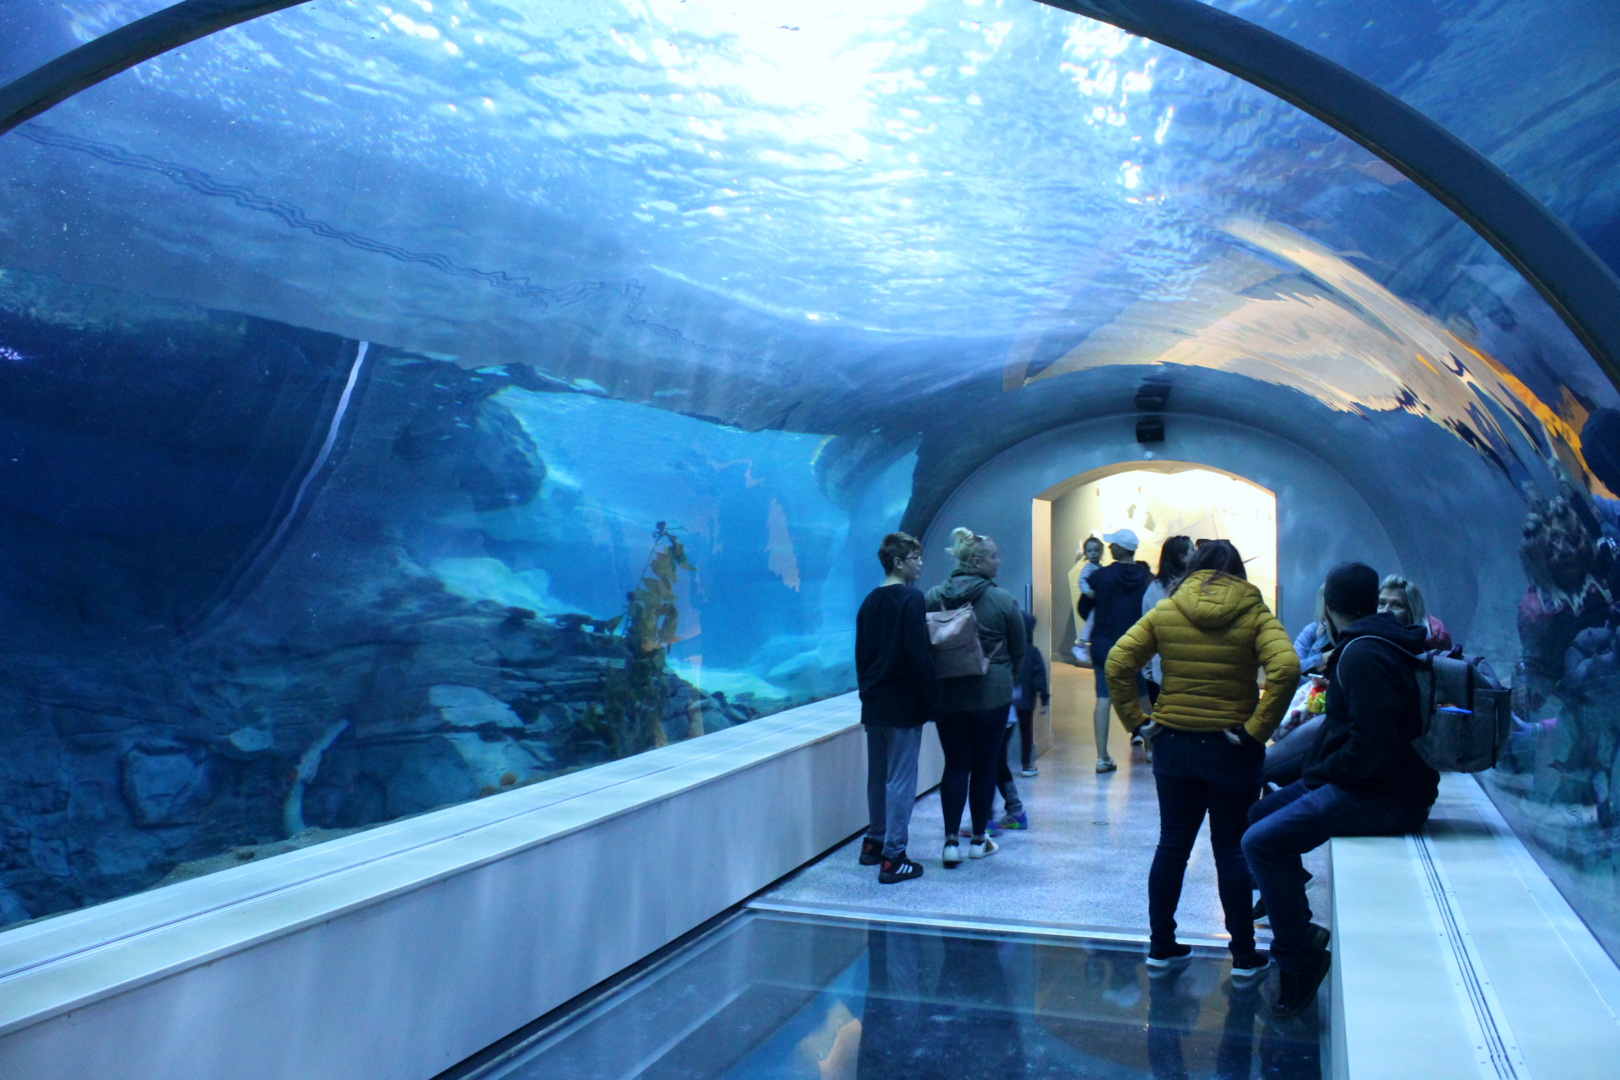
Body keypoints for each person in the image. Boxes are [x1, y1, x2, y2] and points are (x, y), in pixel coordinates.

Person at [1242, 562, 1441, 1019]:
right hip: (1374, 782)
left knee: (1261, 842)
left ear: (1328, 609)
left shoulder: (1363, 655)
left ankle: (1298, 958)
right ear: (1371, 603)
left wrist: (1326, 770)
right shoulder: (1373, 645)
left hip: (1386, 797)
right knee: (1259, 814)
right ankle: (1302, 928)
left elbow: (1375, 740)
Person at [1106, 540, 1300, 978]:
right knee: (1230, 850)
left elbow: (1119, 661)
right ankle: (1244, 957)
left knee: (1172, 846)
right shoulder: (1253, 612)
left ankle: (1161, 946)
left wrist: (1138, 722)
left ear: (1193, 568)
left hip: (1174, 744)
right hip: (1231, 748)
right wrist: (1256, 730)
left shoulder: (1169, 609)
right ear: (1239, 572)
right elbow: (1286, 668)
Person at [926, 527, 1027, 867]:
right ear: (978, 561)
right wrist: (1004, 676)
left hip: (948, 696)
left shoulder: (933, 597)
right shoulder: (1002, 599)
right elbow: (1019, 648)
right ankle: (979, 840)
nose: (998, 561)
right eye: (994, 556)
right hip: (991, 695)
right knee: (984, 766)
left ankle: (951, 842)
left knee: (955, 765)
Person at [854, 532, 941, 884]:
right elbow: (918, 654)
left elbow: (861, 657)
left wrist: (866, 694)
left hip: (874, 703)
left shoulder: (868, 602)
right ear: (898, 562)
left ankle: (873, 842)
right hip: (903, 703)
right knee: (901, 778)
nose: (920, 564)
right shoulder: (911, 599)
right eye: (915, 558)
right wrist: (933, 699)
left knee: (879, 775)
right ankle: (894, 857)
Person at [1078, 528, 1153, 772]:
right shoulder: (1146, 577)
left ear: (1121, 549)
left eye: (1112, 545)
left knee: (1103, 697)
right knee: (1143, 696)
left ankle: (1102, 757)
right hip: (1136, 647)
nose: (1108, 548)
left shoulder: (1101, 576)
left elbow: (1084, 607)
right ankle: (1151, 750)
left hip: (1104, 646)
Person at [1138, 536, 1193, 763]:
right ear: (1181, 556)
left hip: (1161, 669)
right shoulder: (1193, 586)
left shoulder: (1153, 589)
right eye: (1192, 550)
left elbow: (1146, 631)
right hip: (1185, 668)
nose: (1196, 554)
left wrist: (1148, 668)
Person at [1012, 609, 1048, 780]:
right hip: (1026, 701)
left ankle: (997, 761)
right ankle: (1026, 764)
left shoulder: (1007, 648)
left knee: (1003, 734)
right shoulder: (1033, 652)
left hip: (1007, 701)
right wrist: (1044, 699)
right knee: (1026, 732)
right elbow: (1039, 677)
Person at [1378, 574, 1453, 651]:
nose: (1385, 611)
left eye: (1397, 605)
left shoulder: (1435, 639)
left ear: (1411, 611)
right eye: (1381, 603)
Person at [1074, 536, 1105, 664]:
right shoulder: (1088, 567)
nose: (1093, 553)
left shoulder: (1099, 567)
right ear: (1085, 553)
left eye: (1096, 550)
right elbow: (1082, 580)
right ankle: (1080, 645)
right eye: (1090, 551)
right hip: (1092, 601)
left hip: (1099, 600)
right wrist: (1087, 591)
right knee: (1092, 620)